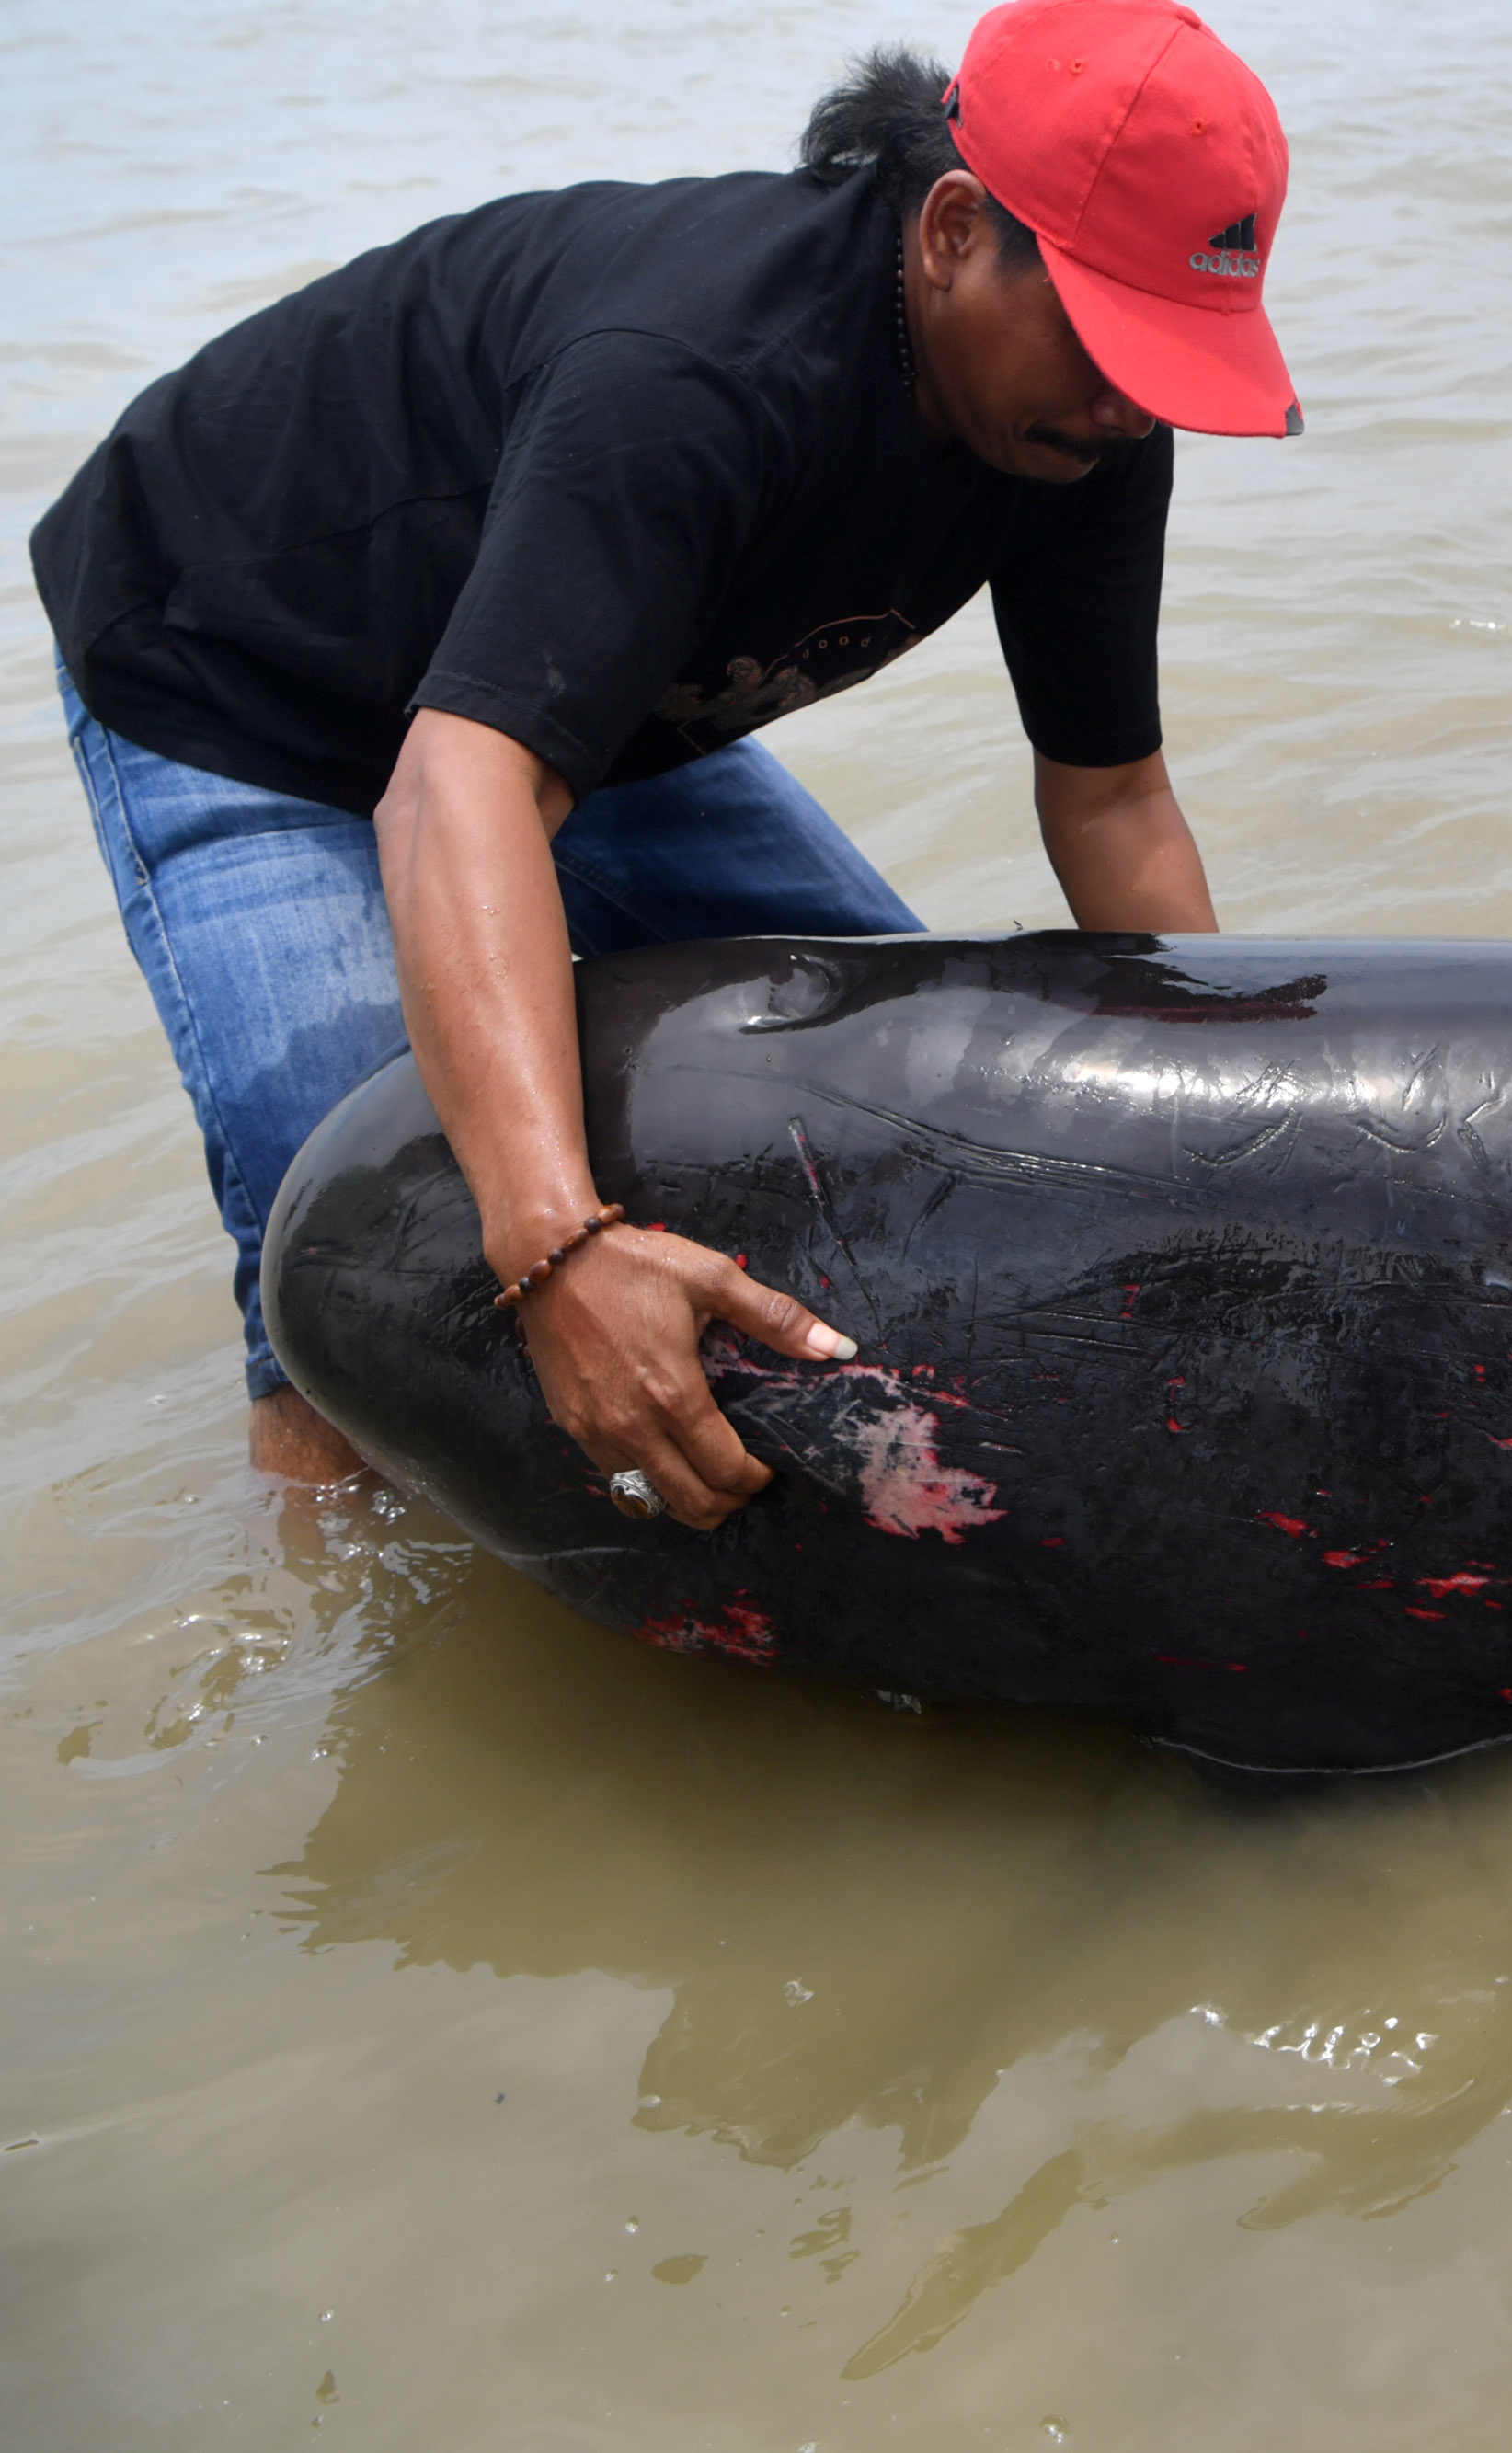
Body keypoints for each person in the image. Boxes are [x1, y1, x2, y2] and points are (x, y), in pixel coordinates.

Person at [33, 0, 1298, 1525]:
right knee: (371, 1238)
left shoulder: (1083, 426)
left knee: (896, 1105)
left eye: (1167, 356)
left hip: (576, 698)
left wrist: (1234, 1140)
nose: (1130, 399)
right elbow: (460, 786)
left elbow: (1111, 793)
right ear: (956, 231)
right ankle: (328, 1622)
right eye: (1108, 336)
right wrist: (555, 1247)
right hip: (241, 661)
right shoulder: (699, 377)